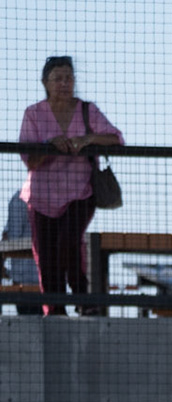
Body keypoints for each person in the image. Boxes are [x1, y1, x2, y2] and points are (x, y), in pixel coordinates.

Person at [17, 56, 120, 316]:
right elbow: (29, 159)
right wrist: (49, 145)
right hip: (41, 196)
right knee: (46, 255)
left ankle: (83, 299)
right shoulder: (33, 113)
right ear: (45, 82)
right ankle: (54, 309)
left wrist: (88, 139)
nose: (64, 83)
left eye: (69, 78)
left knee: (69, 242)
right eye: (58, 78)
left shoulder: (87, 110)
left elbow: (116, 139)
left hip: (80, 192)